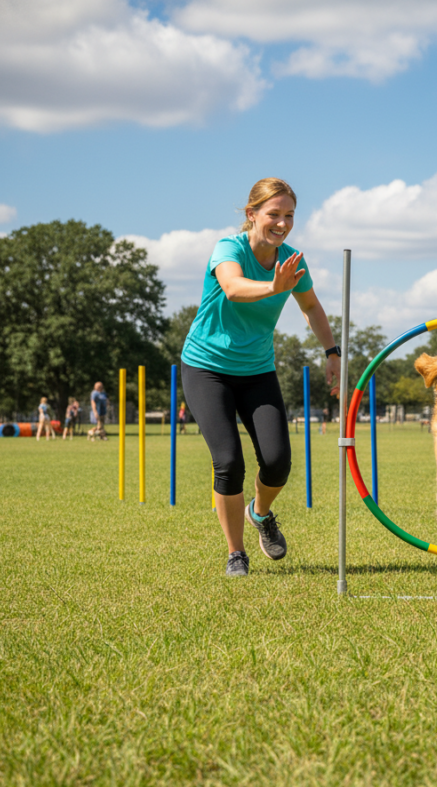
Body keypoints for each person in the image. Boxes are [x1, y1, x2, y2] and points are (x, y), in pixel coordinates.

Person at [181, 178, 341, 577]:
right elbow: (233, 288)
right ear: (252, 214)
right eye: (274, 214)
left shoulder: (292, 261)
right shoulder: (228, 248)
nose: (282, 223)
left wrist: (332, 351)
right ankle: (236, 553)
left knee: (277, 463)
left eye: (289, 215)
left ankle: (261, 513)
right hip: (206, 367)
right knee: (229, 462)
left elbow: (311, 307)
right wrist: (274, 285)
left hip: (256, 371)